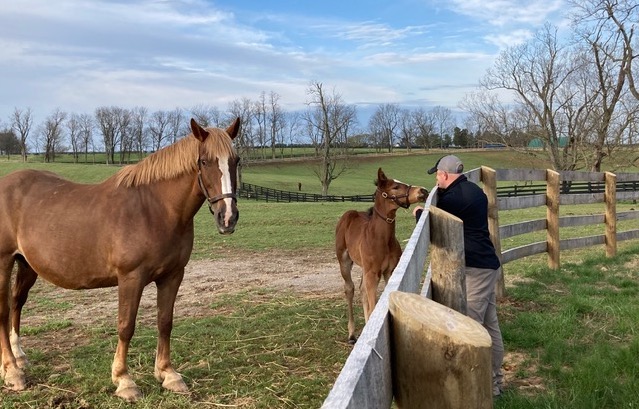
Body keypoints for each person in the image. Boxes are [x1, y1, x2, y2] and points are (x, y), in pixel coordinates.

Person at [413, 154, 505, 397]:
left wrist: (419, 214)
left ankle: (478, 387)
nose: (436, 181)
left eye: (437, 176)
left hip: (477, 270)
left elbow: (435, 221)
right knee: (489, 324)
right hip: (486, 264)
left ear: (443, 174)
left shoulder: (453, 198)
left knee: (473, 326)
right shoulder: (473, 190)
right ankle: (494, 383)